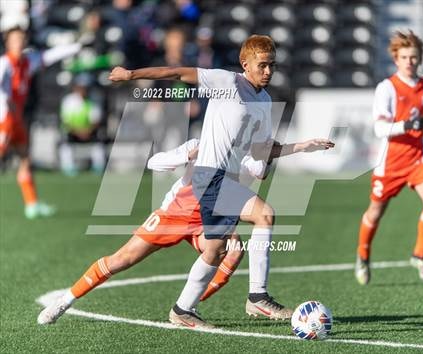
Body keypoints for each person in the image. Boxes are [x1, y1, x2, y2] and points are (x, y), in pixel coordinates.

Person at [108, 34, 335, 328]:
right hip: (208, 175)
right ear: (246, 64)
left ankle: (183, 309)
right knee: (263, 216)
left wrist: (303, 146)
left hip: (224, 179)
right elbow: (176, 72)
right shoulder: (226, 83)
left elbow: (261, 149)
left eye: (272, 66)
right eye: (262, 65)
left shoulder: (264, 100)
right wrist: (131, 74)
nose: (268, 72)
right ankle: (256, 298)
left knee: (216, 249)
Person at [37, 139, 262, 325]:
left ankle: (186, 307)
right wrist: (187, 155)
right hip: (172, 215)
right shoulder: (200, 143)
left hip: (204, 218)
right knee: (122, 259)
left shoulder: (242, 153)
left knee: (232, 249)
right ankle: (63, 301)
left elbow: (259, 171)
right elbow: (155, 162)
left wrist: (271, 154)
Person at [354, 30, 423, 285]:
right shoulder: (387, 88)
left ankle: (419, 255)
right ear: (396, 58)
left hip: (418, 158)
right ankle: (362, 255)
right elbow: (380, 129)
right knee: (375, 211)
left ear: (420, 58)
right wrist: (407, 124)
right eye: (404, 57)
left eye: (414, 57)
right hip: (390, 162)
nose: (409, 62)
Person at [0, 26, 81, 218]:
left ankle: (32, 205)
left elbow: (51, 55)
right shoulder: (4, 63)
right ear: (7, 43)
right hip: (4, 118)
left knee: (24, 160)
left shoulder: (28, 61)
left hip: (16, 118)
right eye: (15, 39)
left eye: (21, 39)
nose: (19, 43)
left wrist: (76, 46)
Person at [58, 74, 106, 176]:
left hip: (89, 132)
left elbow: (96, 121)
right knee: (65, 143)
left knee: (98, 143)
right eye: (80, 87)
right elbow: (66, 122)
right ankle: (68, 167)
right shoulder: (69, 101)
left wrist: (87, 131)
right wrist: (78, 132)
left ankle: (98, 167)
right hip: (73, 132)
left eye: (85, 88)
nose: (83, 90)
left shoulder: (93, 101)